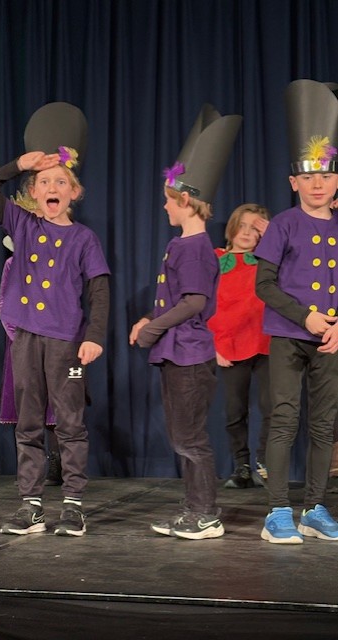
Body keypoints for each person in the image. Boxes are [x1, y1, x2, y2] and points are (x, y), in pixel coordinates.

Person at [0, 102, 110, 537]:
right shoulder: (23, 223)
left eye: (61, 182)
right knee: (29, 423)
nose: (52, 187)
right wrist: (20, 164)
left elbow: (99, 290)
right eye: (45, 181)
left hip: (67, 343)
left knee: (70, 423)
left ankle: (73, 505)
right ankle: (31, 505)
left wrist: (94, 335)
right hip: (27, 340)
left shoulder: (84, 238)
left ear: (74, 192)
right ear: (34, 191)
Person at [130, 104, 242, 540]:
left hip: (190, 355)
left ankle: (206, 513)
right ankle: (195, 508)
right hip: (178, 353)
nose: (164, 205)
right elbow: (175, 298)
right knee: (182, 437)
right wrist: (150, 318)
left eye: (168, 198)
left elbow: (195, 301)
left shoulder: (194, 248)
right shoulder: (182, 244)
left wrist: (154, 327)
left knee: (190, 438)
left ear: (184, 201)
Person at [255, 79, 338, 544]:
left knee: (324, 424)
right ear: (294, 182)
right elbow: (263, 284)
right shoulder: (283, 225)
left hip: (331, 339)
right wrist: (304, 316)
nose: (317, 184)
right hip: (289, 335)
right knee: (285, 420)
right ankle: (277, 511)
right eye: (308, 177)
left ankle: (315, 508)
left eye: (325, 175)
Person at [207, 203, 271, 488]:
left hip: (267, 341)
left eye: (254, 228)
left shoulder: (270, 261)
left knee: (273, 407)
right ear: (232, 228)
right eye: (242, 226)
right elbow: (204, 303)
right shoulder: (215, 259)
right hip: (229, 344)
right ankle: (242, 465)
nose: (246, 233)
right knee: (235, 409)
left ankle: (266, 462)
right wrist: (214, 344)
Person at [0, 237, 62, 486]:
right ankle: (29, 470)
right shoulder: (12, 265)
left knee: (55, 407)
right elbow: (5, 305)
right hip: (22, 343)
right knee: (26, 408)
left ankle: (57, 466)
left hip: (53, 342)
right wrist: (21, 340)